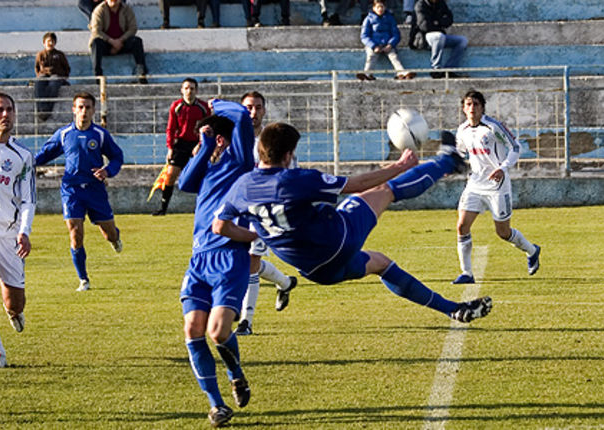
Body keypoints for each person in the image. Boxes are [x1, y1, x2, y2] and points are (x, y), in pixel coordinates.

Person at [212, 122, 493, 327]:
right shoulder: (294, 180)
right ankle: (448, 161)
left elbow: (220, 227)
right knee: (385, 189)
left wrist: (255, 235)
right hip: (338, 238)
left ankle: (453, 309)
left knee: (381, 263)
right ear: (287, 155)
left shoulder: (241, 187)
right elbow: (356, 184)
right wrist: (400, 166)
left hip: (315, 270)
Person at [177, 100, 255, 428]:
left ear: (221, 138)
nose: (198, 144)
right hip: (199, 259)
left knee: (218, 332)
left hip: (229, 256)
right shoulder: (207, 166)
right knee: (193, 330)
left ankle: (236, 373)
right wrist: (205, 146)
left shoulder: (239, 161)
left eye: (204, 137)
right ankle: (216, 405)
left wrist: (217, 105)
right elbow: (184, 184)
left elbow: (242, 117)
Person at [35, 92, 124, 292]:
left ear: (93, 110)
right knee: (75, 232)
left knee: (108, 234)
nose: (84, 111)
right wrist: (26, 163)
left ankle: (115, 238)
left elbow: (117, 157)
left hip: (95, 190)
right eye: (80, 107)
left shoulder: (100, 135)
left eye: (88, 107)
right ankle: (83, 279)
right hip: (71, 189)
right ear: (74, 109)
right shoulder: (64, 134)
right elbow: (45, 154)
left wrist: (107, 171)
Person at [451, 90, 540, 284]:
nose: (472, 108)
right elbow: (460, 152)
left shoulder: (493, 127)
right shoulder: (462, 130)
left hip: (497, 186)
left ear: (482, 108)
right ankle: (467, 273)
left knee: (503, 233)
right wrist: (450, 164)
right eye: (468, 104)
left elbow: (515, 147)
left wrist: (503, 168)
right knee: (462, 226)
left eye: (476, 104)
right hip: (475, 184)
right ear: (463, 108)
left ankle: (532, 250)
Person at [234, 91, 297, 336]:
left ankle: (245, 321)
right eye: (248, 107)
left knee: (251, 260)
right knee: (241, 261)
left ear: (264, 110)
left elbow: (290, 171)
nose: (253, 112)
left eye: (258, 107)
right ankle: (285, 282)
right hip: (236, 207)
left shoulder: (272, 140)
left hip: (262, 210)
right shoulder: (233, 137)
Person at [0, 93, 35, 370]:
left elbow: (28, 200)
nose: (5, 114)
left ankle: (13, 311)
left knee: (15, 302)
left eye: (10, 110)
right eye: (0, 110)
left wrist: (24, 231)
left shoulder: (22, 156)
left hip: (9, 235)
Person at [153, 78, 210, 216]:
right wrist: (170, 148)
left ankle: (204, 207)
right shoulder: (176, 106)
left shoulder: (203, 107)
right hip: (181, 144)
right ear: (182, 90)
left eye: (192, 88)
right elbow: (171, 128)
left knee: (203, 176)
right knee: (170, 175)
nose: (189, 91)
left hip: (197, 144)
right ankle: (163, 208)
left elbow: (208, 128)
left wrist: (200, 144)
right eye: (186, 88)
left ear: (196, 91)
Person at [89, 0, 149, 84]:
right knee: (96, 43)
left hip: (122, 42)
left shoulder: (127, 9)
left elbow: (133, 28)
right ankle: (98, 75)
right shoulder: (99, 10)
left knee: (137, 41)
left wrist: (120, 40)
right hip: (106, 43)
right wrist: (112, 41)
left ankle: (141, 74)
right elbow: (96, 30)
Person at [358, 0, 415, 81]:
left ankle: (401, 72)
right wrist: (374, 46)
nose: (380, 9)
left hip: (387, 44)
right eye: (378, 7)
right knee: (371, 56)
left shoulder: (390, 18)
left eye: (382, 7)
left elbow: (396, 34)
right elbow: (364, 36)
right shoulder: (368, 19)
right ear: (374, 8)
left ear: (385, 7)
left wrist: (390, 44)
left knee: (394, 56)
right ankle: (367, 73)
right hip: (374, 44)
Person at [414, 0, 467, 79]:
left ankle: (449, 70)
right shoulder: (420, 4)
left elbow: (449, 19)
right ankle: (436, 69)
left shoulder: (441, 3)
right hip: (425, 36)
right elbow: (424, 26)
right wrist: (440, 22)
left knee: (462, 40)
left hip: (441, 36)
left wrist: (436, 22)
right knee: (439, 36)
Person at [34, 32, 71, 122]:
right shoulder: (40, 54)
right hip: (44, 75)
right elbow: (37, 68)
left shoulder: (59, 54)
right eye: (48, 41)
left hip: (56, 76)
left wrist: (64, 77)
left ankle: (47, 110)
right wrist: (40, 75)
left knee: (54, 84)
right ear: (44, 42)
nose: (50, 43)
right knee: (38, 84)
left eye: (52, 41)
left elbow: (66, 68)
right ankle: (41, 109)